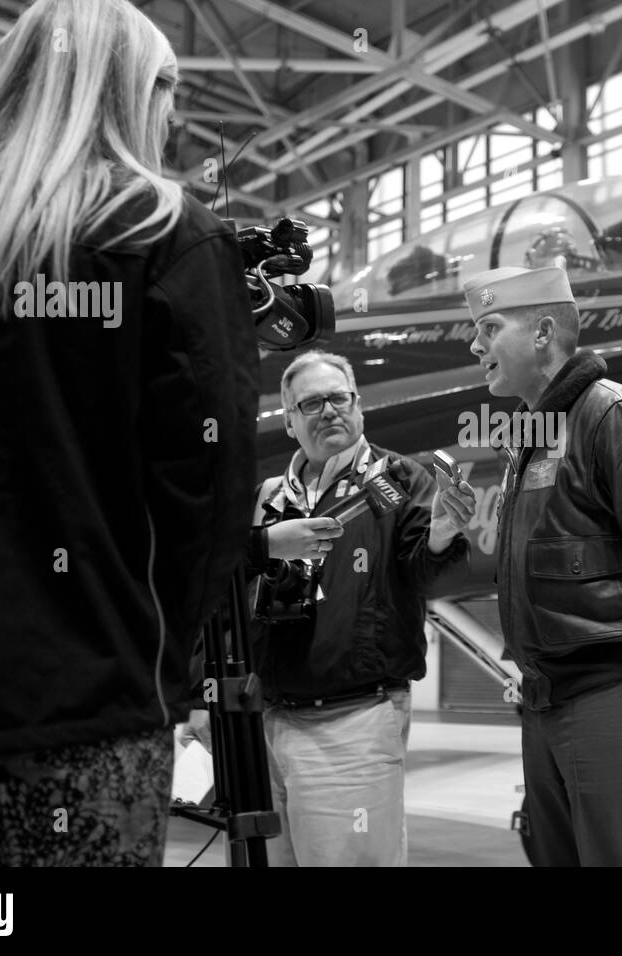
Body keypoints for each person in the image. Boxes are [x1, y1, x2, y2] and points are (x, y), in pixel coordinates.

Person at [0, 0, 258, 866]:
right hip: (90, 709)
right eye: (170, 95)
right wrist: (165, 658)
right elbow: (213, 490)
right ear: (140, 89)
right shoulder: (165, 235)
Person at [463, 265, 622, 867]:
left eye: (488, 327)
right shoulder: (532, 438)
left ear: (543, 331)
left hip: (617, 695)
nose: (474, 345)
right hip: (545, 701)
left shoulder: (618, 419)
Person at [246, 350, 475, 866]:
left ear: (360, 406)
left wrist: (440, 534)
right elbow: (229, 596)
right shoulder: (268, 500)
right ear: (289, 420)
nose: (329, 411)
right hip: (266, 724)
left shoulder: (400, 481)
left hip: (353, 722)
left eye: (339, 398)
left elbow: (426, 576)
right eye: (311, 404)